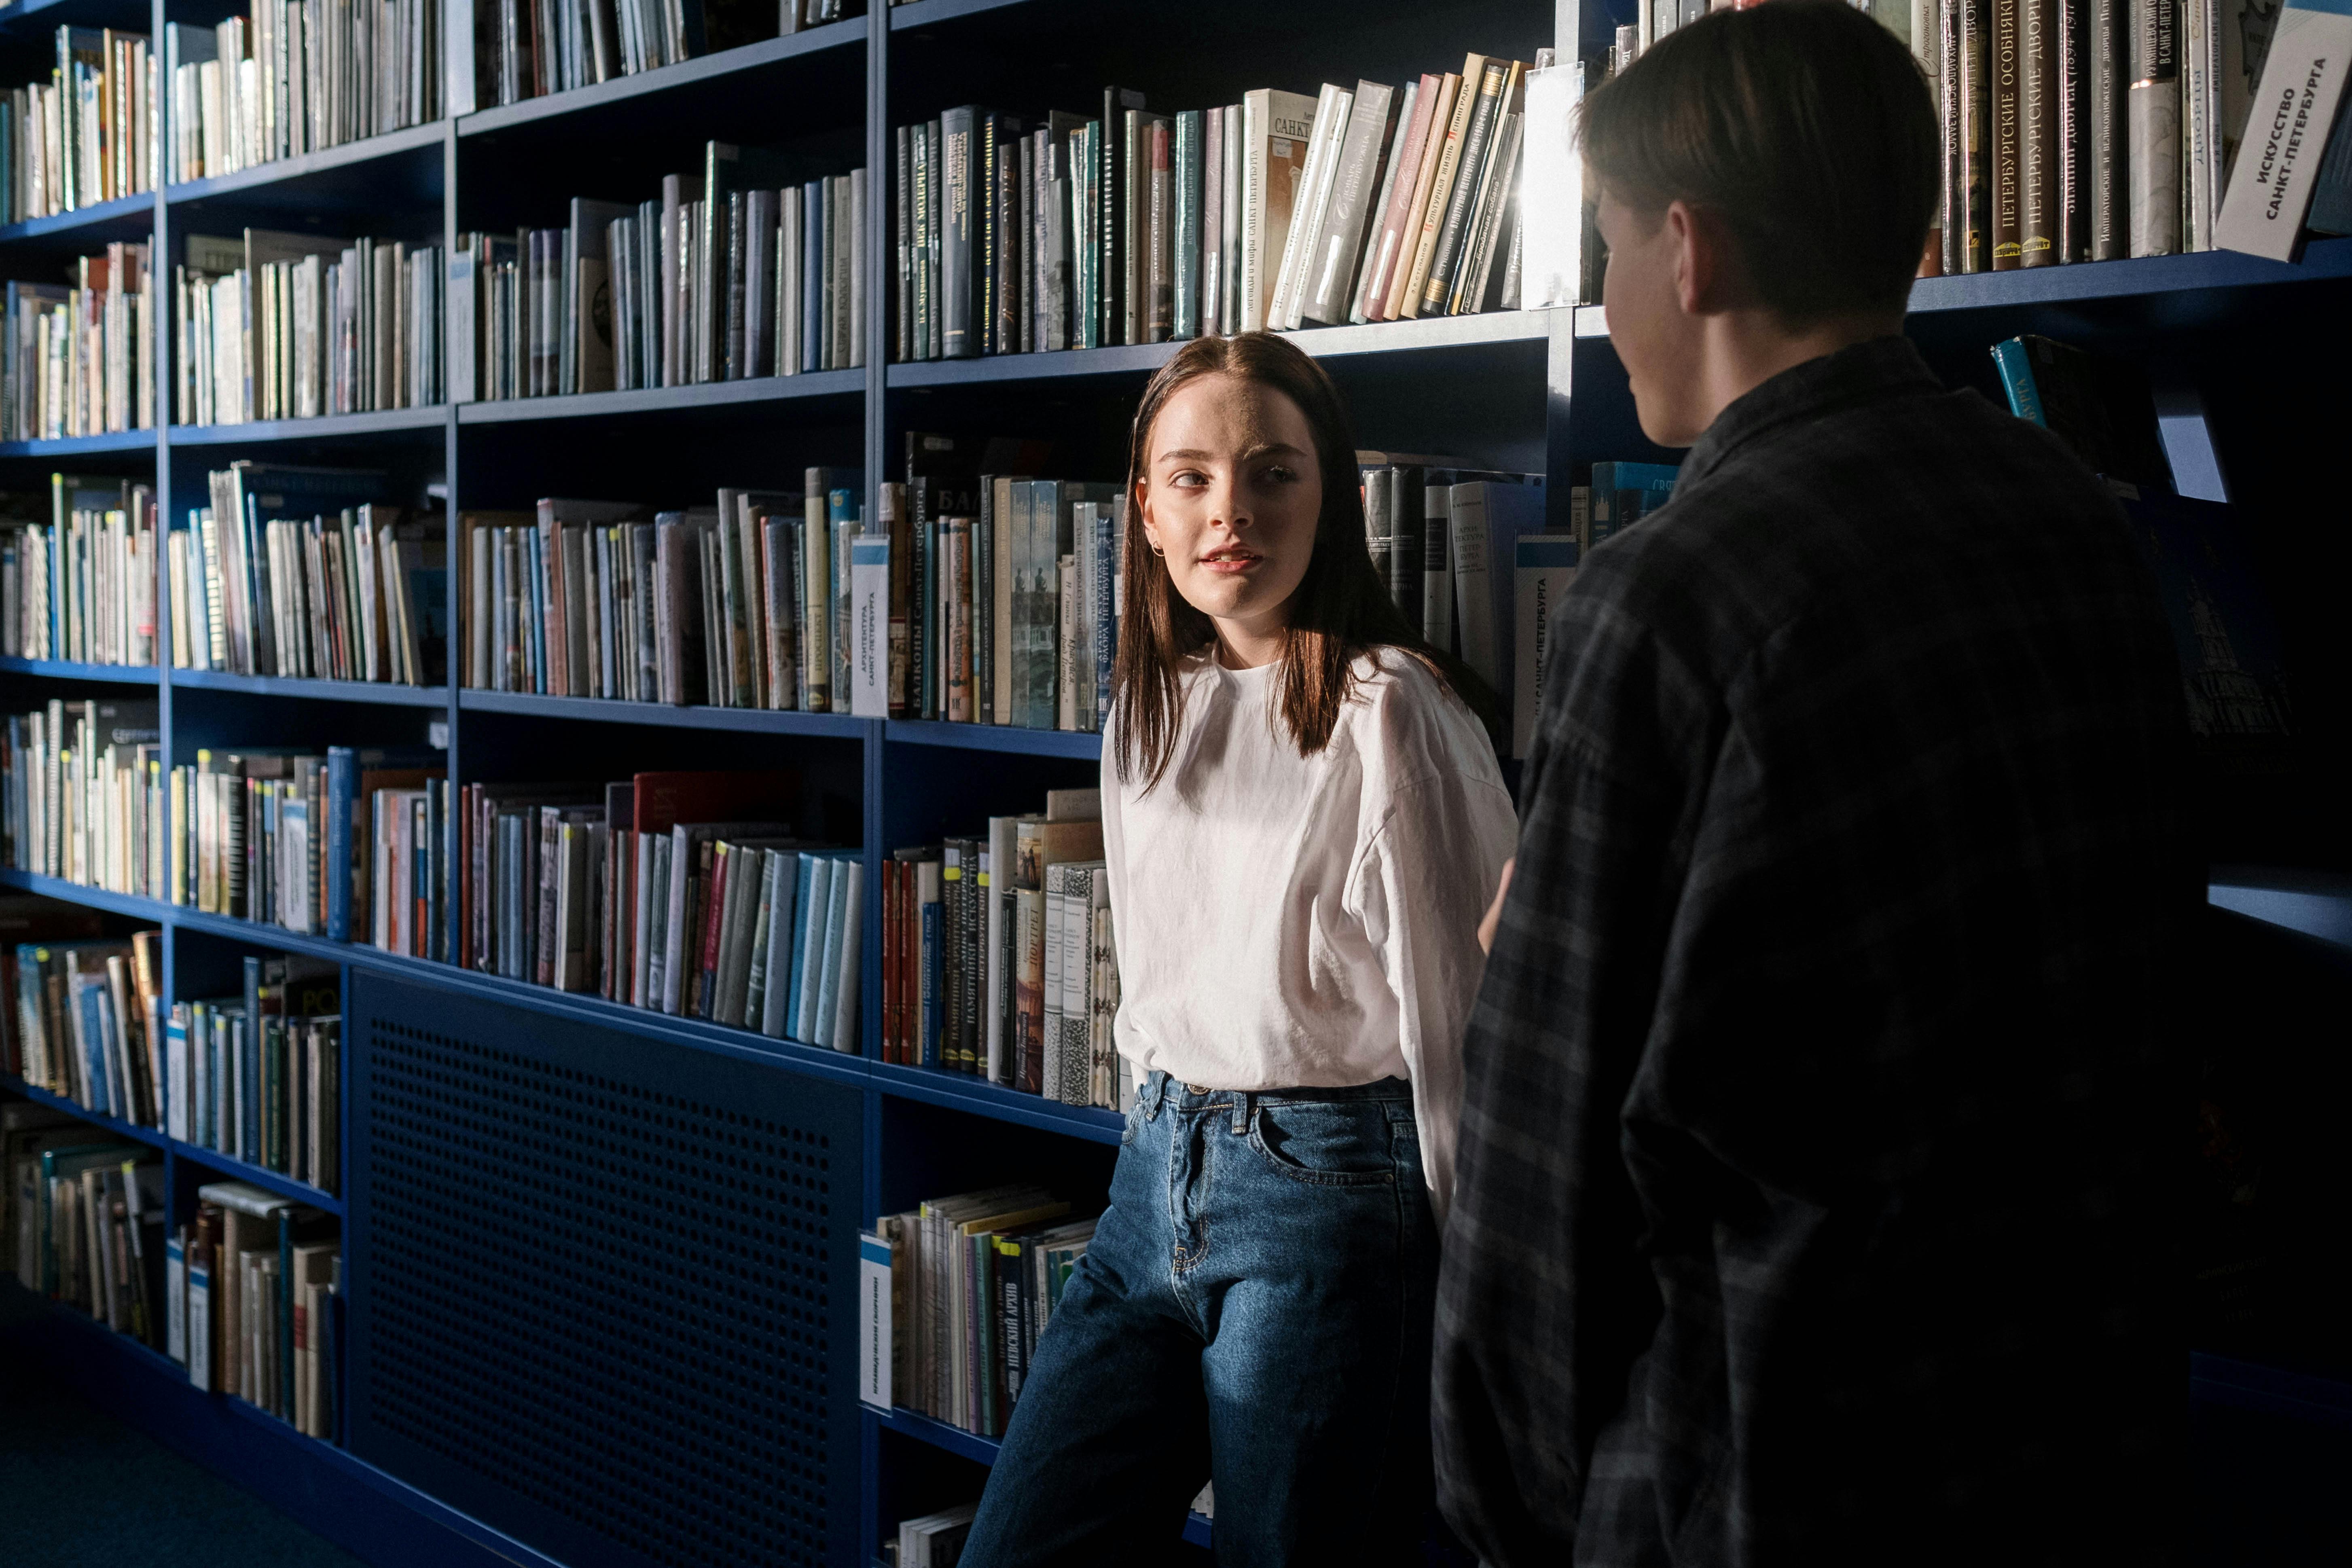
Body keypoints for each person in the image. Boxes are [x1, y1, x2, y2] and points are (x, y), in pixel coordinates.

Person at [1433, 4, 2192, 1565]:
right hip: (2075, 1436)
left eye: (1609, 244)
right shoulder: (2079, 520)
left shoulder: (1675, 595)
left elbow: (1545, 1165)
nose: (1608, 292)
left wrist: (1510, 1514)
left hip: (1768, 1477)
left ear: (1690, 252)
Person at [959, 331, 1516, 1567]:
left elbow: (1464, 1028)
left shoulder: (1392, 712)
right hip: (1153, 1173)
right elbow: (1160, 981)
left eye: (1275, 474)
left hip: (1328, 1198)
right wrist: (1150, 1155)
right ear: (1146, 509)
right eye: (1195, 477)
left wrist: (1482, 1304)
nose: (1234, 512)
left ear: (1338, 500)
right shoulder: (1149, 708)